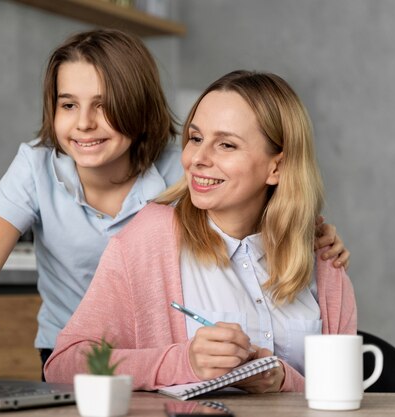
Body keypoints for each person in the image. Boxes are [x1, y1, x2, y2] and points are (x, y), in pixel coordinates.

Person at [0, 29, 349, 375]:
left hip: (157, 344)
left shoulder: (178, 166)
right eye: (68, 105)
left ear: (137, 106)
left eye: (102, 105)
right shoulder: (36, 166)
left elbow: (252, 193)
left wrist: (311, 231)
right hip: (75, 346)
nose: (83, 123)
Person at [44, 70, 356, 393]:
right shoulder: (151, 238)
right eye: (195, 138)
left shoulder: (322, 256)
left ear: (276, 167)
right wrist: (185, 362)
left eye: (226, 145)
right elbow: (64, 365)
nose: (197, 159)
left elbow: (342, 392)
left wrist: (281, 379)